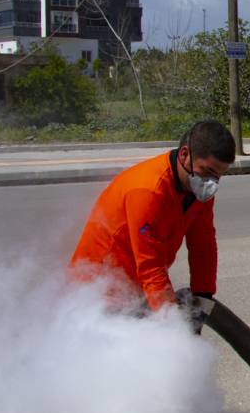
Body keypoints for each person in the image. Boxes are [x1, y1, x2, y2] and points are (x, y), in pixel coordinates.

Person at [70, 121, 235, 319]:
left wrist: (202, 297)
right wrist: (173, 324)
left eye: (219, 175)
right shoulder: (148, 191)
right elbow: (151, 266)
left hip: (137, 286)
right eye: (207, 171)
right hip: (99, 290)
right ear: (185, 155)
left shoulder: (199, 191)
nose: (211, 182)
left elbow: (203, 245)